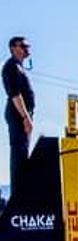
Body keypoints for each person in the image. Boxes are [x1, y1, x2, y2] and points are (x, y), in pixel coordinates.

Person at [4, 37, 34, 196]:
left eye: (27, 46)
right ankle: (18, 193)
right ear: (13, 48)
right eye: (23, 46)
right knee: (18, 152)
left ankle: (22, 189)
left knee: (23, 151)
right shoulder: (11, 67)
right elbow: (15, 94)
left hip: (22, 114)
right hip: (18, 115)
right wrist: (25, 117)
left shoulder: (19, 67)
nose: (26, 48)